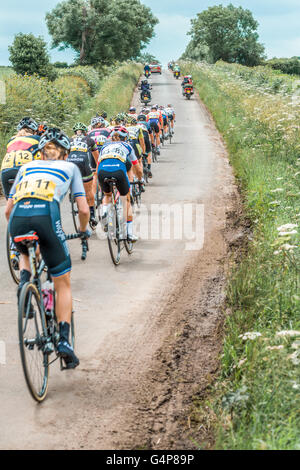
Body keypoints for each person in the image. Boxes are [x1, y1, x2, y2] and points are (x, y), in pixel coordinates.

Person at [5, 128, 90, 368]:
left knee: (24, 250)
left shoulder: (26, 167)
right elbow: (83, 210)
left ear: (42, 153)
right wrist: (83, 231)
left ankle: (25, 283)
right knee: (62, 281)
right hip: (46, 215)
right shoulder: (70, 168)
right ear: (65, 154)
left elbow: (7, 210)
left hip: (18, 218)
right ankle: (64, 341)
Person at [98, 126, 143, 242]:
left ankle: (105, 212)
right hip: (118, 171)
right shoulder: (128, 146)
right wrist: (140, 179)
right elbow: (137, 167)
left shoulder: (104, 146)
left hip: (102, 172)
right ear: (126, 138)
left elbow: (98, 164)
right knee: (126, 199)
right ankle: (129, 234)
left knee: (107, 195)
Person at [1, 117, 41, 199]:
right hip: (23, 171)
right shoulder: (37, 139)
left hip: (5, 171)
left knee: (10, 200)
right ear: (34, 131)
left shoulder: (10, 140)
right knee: (35, 197)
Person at [68, 122, 99, 226]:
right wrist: (96, 170)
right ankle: (92, 214)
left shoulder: (68, 140)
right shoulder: (89, 140)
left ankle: (72, 191)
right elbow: (97, 157)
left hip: (70, 164)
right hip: (83, 163)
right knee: (89, 191)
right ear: (85, 132)